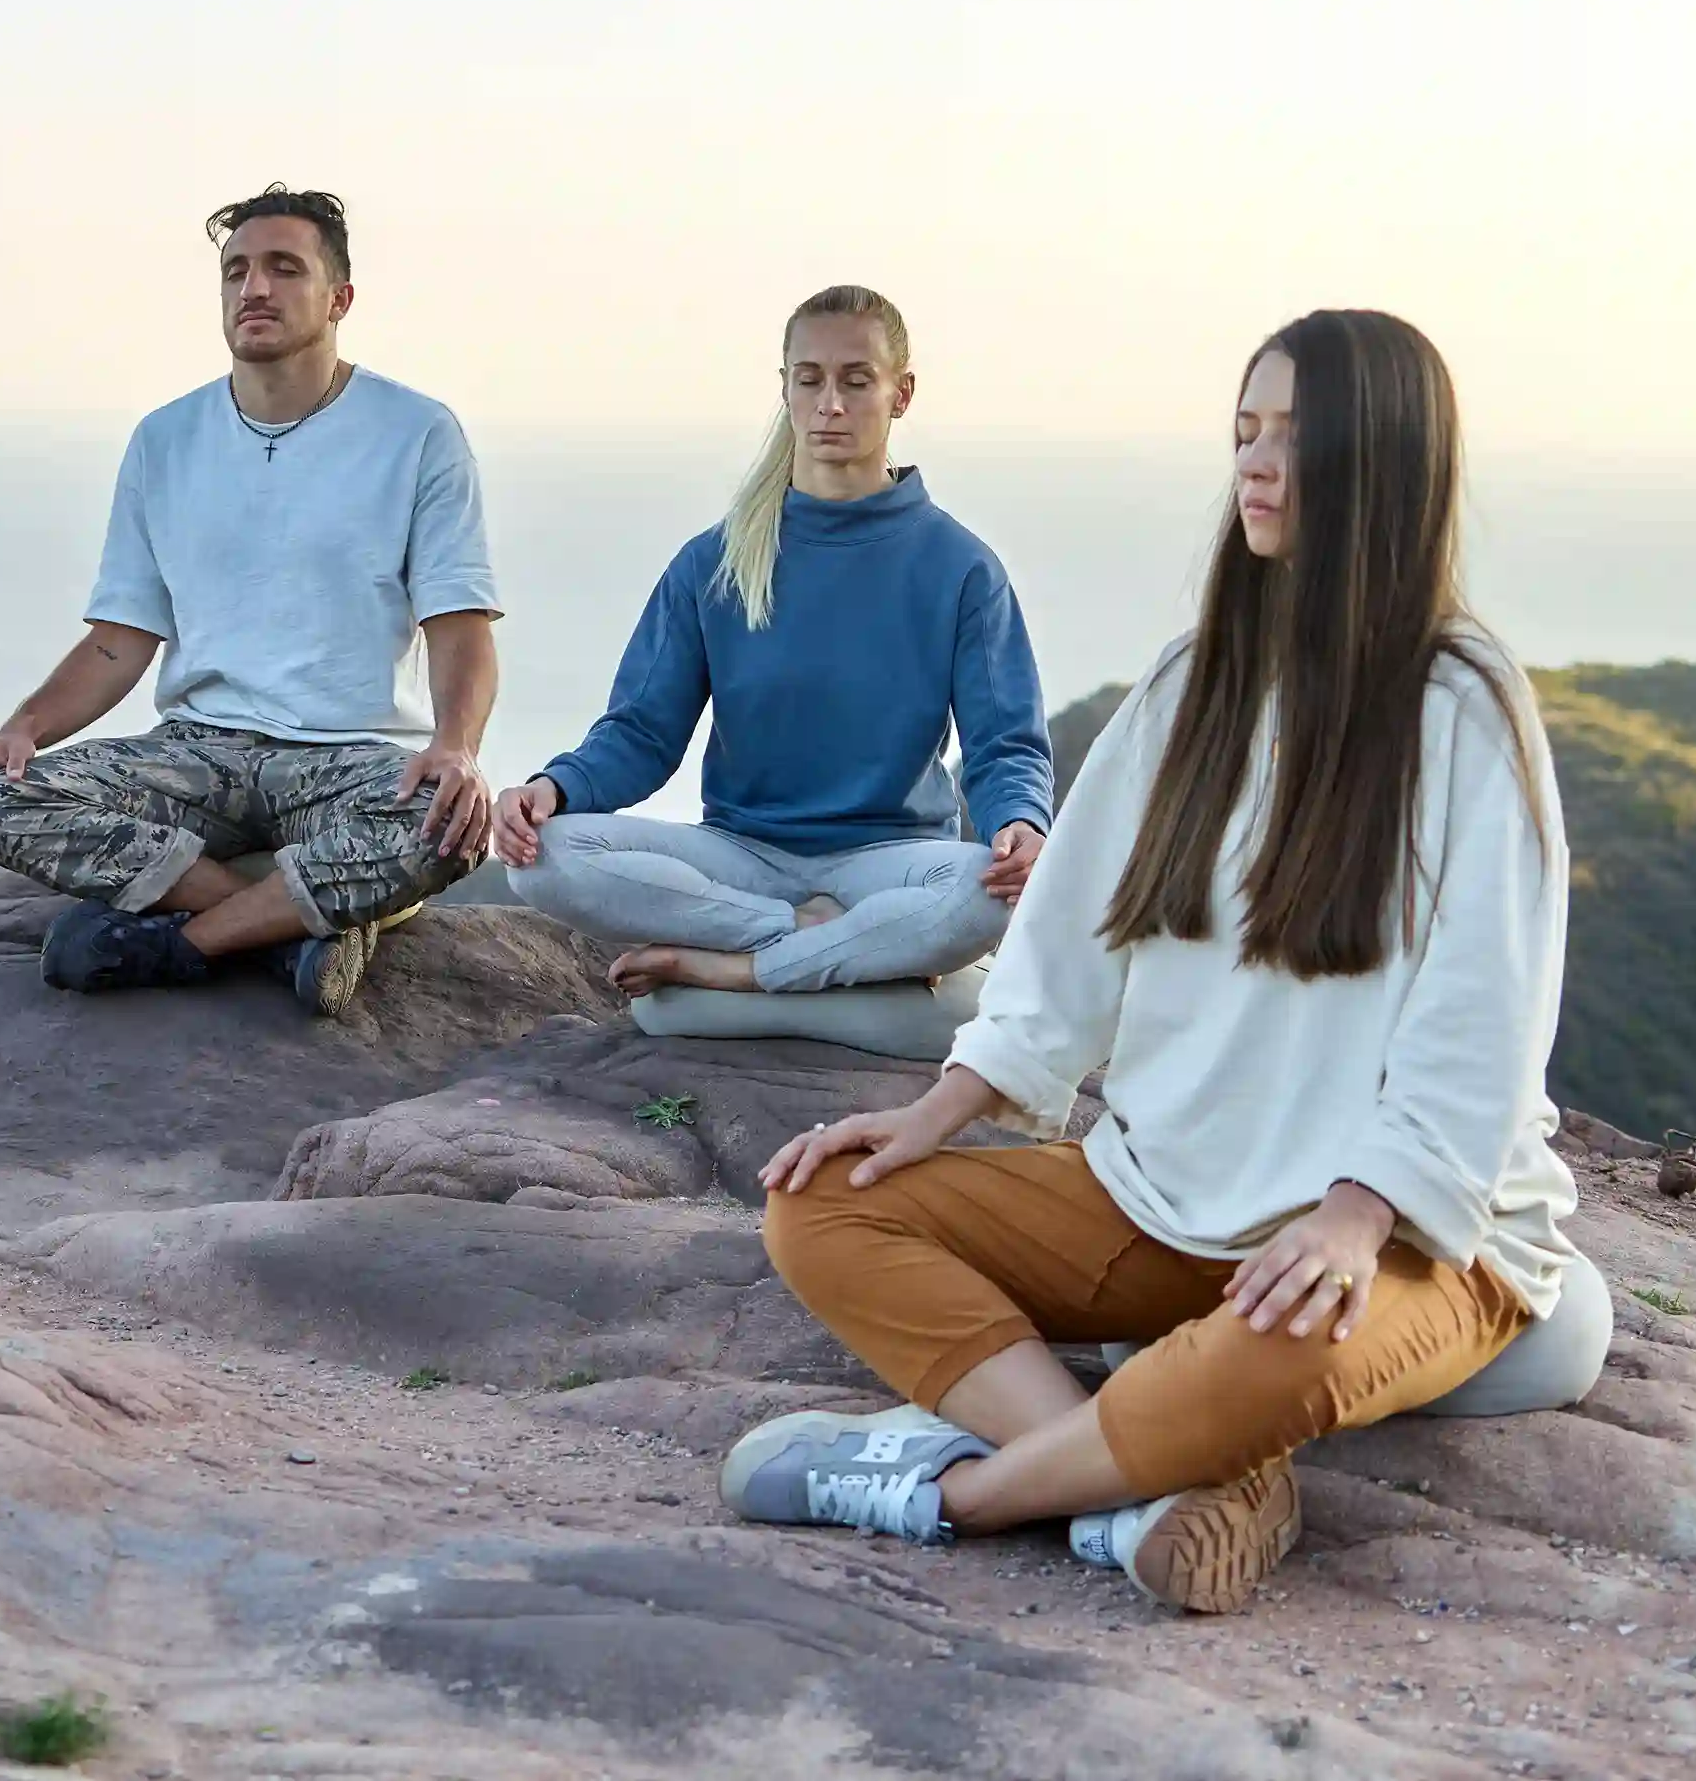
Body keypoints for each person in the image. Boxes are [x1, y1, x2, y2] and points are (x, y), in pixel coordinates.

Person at [734, 310, 1575, 1616]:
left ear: (1384, 463)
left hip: (1405, 1234)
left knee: (1277, 1354)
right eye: (1243, 431)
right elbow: (1068, 945)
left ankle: (946, 1493)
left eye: (1296, 438)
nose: (1254, 463)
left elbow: (1483, 1016)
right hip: (1164, 1193)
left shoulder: (1458, 700)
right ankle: (1146, 1483)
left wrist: (1353, 1219)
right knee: (823, 1203)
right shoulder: (1195, 681)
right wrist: (936, 1114)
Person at [0, 185, 501, 1015]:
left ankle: (182, 943)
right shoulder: (165, 438)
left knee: (445, 822)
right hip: (197, 752)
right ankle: (284, 931)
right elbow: (119, 638)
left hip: (346, 756)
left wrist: (456, 745)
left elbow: (458, 625)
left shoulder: (417, 431)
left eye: (285, 269)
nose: (254, 289)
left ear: (339, 298)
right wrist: (21, 730)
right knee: (0, 796)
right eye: (236, 271)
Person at [493, 286, 1052, 998]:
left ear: (900, 393)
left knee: (982, 891)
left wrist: (1020, 825)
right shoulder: (714, 562)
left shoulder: (959, 568)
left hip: (892, 857)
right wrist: (554, 787)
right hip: (740, 855)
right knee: (541, 859)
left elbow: (1004, 744)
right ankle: (808, 937)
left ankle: (732, 970)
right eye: (809, 379)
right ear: (784, 387)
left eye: (856, 380)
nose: (831, 404)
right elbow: (640, 732)